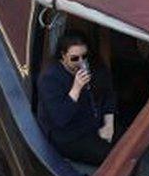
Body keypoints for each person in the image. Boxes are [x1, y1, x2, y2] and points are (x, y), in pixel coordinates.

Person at [37, 32, 116, 166]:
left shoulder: (94, 68)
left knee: (132, 144)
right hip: (69, 135)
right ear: (63, 56)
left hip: (94, 123)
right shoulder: (50, 78)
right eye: (74, 58)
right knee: (114, 159)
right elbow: (60, 118)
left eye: (84, 56)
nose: (81, 62)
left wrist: (109, 125)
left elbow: (108, 95)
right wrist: (76, 88)